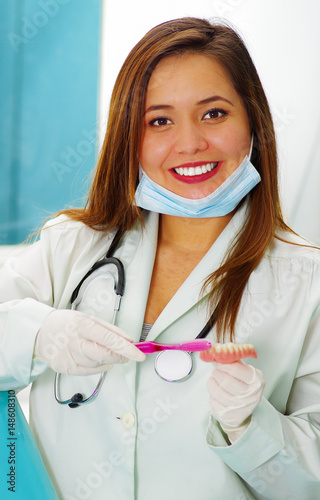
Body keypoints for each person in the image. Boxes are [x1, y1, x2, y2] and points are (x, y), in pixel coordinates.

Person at [0, 16, 319, 500]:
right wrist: (39, 335)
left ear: (252, 121)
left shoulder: (308, 282)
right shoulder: (71, 246)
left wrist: (250, 426)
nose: (190, 142)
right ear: (132, 136)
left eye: (214, 113)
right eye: (159, 121)